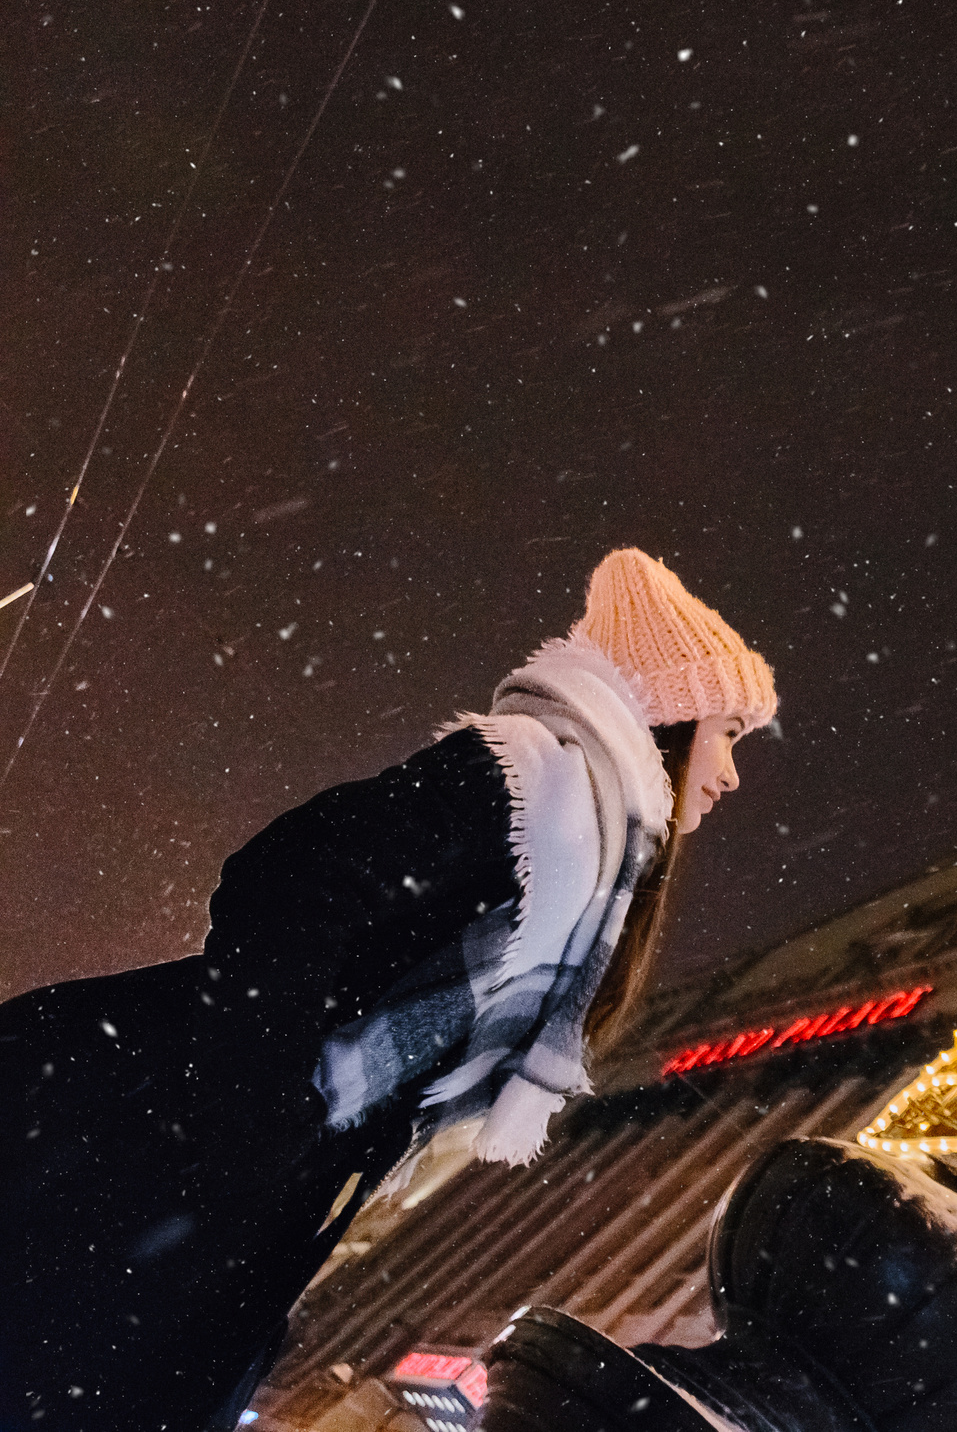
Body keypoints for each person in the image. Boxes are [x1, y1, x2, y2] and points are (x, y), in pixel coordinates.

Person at [1, 548, 777, 1431]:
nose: (732, 774)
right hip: (128, 1149)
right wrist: (260, 1125)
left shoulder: (585, 856)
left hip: (182, 1191)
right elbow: (288, 878)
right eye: (728, 735)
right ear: (672, 719)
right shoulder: (530, 779)